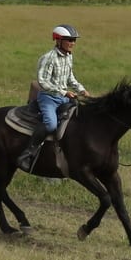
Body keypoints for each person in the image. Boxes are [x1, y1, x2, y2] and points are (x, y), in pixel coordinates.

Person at [18, 24, 90, 169]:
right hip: (48, 98)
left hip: (64, 97)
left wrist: (81, 90)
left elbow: (70, 78)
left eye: (74, 40)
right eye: (69, 40)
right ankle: (27, 154)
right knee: (51, 124)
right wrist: (64, 92)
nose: (73, 43)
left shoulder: (69, 57)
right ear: (58, 40)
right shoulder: (48, 58)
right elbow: (43, 82)